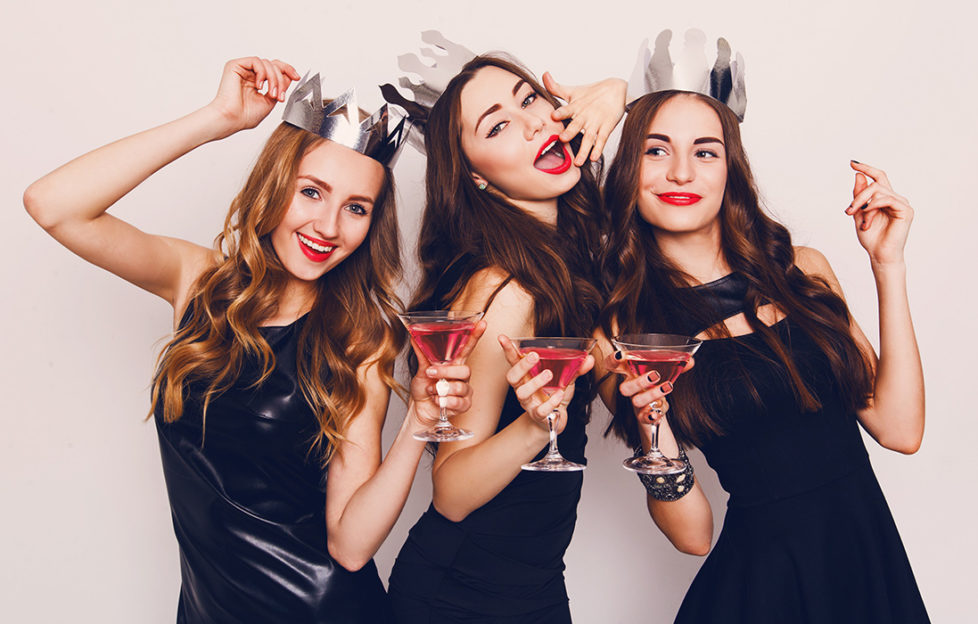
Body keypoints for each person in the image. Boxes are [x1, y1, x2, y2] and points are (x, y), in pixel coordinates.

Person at [23, 57, 480, 623]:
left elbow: (351, 544)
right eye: (311, 192)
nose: (329, 226)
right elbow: (54, 205)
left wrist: (417, 424)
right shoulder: (198, 282)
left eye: (356, 208)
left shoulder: (360, 339)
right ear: (275, 183)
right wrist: (216, 118)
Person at [596, 86, 929, 622]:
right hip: (761, 591)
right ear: (628, 171)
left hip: (868, 569)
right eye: (655, 151)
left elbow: (900, 429)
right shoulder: (623, 331)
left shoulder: (804, 270)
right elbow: (694, 536)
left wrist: (888, 267)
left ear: (731, 171)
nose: (681, 172)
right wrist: (650, 426)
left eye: (705, 151)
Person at [382, 53, 622, 623]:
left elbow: (676, 173)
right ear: (476, 176)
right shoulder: (504, 291)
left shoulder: (565, 258)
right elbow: (451, 490)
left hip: (531, 584)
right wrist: (537, 424)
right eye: (497, 125)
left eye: (530, 99)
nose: (535, 122)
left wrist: (616, 93)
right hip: (463, 595)